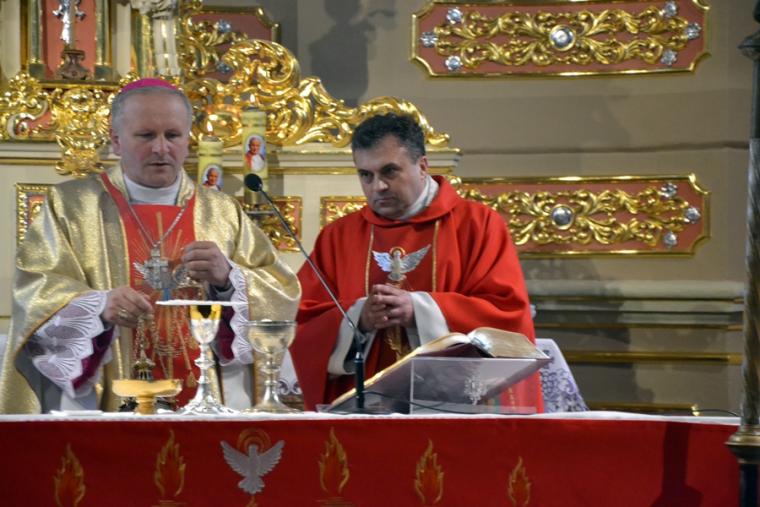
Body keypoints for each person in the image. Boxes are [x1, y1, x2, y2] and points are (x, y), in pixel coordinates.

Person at [0, 78, 300, 413]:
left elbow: (281, 293)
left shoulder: (223, 211)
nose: (161, 148)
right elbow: (35, 291)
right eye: (146, 135)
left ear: (188, 140)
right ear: (116, 141)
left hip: (206, 403)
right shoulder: (70, 206)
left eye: (173, 135)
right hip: (107, 395)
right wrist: (97, 307)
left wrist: (229, 278)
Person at [291, 113, 542, 412]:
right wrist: (359, 318)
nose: (378, 186)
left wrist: (418, 309)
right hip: (365, 412)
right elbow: (305, 321)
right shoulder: (338, 236)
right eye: (366, 175)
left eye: (389, 171)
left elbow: (508, 314)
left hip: (458, 410)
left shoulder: (477, 224)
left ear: (422, 166)